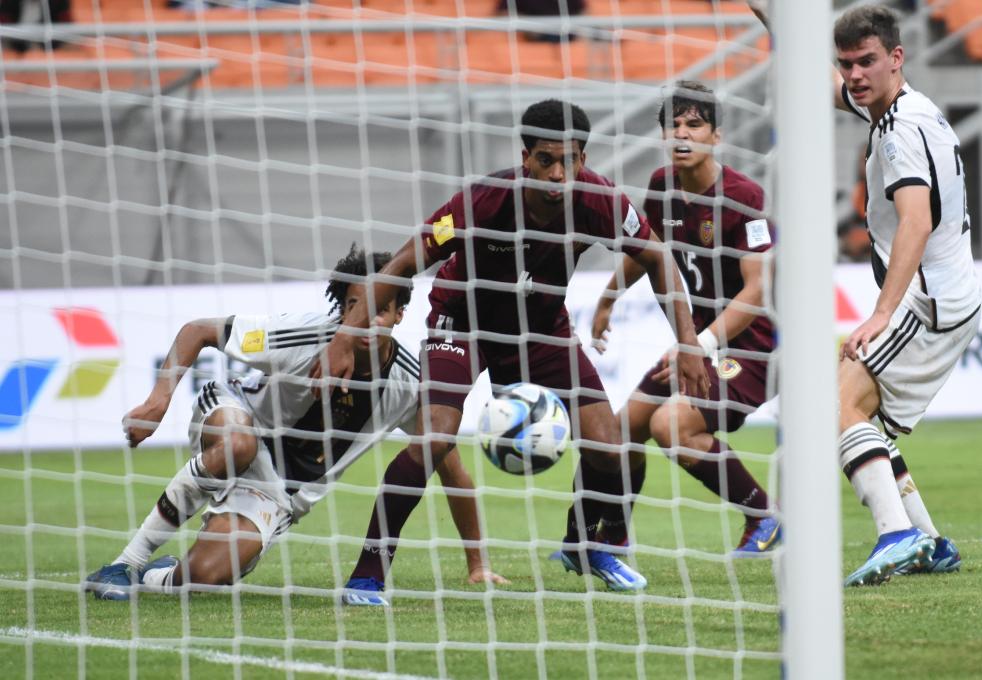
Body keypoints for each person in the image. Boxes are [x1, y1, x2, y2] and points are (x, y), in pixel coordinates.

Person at [318, 99, 708, 601]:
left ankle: (584, 544)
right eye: (546, 160)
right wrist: (344, 337)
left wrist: (690, 341)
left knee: (608, 445)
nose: (558, 172)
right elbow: (400, 264)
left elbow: (656, 255)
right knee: (435, 435)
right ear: (526, 157)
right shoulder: (484, 200)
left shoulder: (600, 201)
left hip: (542, 330)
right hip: (463, 323)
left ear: (583, 159)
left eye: (570, 160)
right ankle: (368, 573)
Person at [85, 246, 506, 601]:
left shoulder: (409, 384)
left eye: (379, 310)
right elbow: (198, 332)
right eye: (354, 308)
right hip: (237, 415)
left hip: (277, 490)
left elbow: (453, 471)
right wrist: (158, 402)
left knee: (206, 577)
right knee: (238, 446)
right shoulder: (303, 336)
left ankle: (155, 576)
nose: (366, 321)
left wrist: (477, 564)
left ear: (399, 314)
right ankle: (123, 565)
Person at [583, 81, 780, 557]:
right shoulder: (661, 187)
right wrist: (607, 297)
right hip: (700, 343)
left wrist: (700, 344)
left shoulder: (743, 195)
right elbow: (649, 254)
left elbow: (757, 289)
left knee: (672, 427)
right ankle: (614, 536)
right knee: (622, 425)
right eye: (672, 126)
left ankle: (765, 517)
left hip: (755, 347)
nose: (682, 135)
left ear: (716, 136)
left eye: (694, 124)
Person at [830, 5, 981, 586]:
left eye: (867, 61)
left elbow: (915, 221)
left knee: (836, 408)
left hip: (924, 304)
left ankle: (898, 535)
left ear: (897, 58)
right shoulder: (907, 108)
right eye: (846, 64)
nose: (855, 75)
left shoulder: (898, 133)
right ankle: (931, 542)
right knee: (863, 418)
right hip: (947, 295)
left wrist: (882, 313)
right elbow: (830, 91)